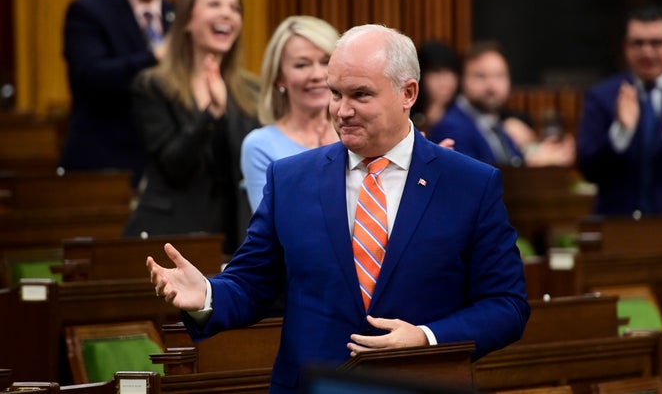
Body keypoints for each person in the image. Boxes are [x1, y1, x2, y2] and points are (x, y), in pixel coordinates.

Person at [147, 24, 530, 394]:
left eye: (360, 95)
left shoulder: (470, 183)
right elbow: (252, 283)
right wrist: (208, 296)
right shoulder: (291, 179)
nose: (341, 111)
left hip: (421, 381)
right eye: (335, 93)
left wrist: (427, 338)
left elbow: (506, 306)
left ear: (408, 93)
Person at [124, 0, 259, 255]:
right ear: (186, 19)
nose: (227, 14)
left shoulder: (252, 91)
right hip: (172, 236)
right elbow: (174, 166)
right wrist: (210, 115)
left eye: (235, 8)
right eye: (214, 5)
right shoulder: (153, 85)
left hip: (235, 235)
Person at [576, 4, 662, 240]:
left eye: (657, 43)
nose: (647, 52)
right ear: (625, 48)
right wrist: (620, 132)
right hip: (617, 229)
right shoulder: (602, 96)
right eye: (638, 43)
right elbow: (587, 166)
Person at [59, 0, 177, 188]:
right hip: (105, 166)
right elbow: (89, 78)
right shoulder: (88, 11)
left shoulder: (180, 16)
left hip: (167, 172)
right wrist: (155, 56)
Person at [241, 15, 340, 213]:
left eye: (325, 61)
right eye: (302, 65)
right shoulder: (260, 145)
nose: (317, 75)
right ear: (279, 77)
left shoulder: (356, 133)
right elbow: (275, 228)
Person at [428, 40, 575, 167]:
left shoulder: (495, 122)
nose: (492, 85)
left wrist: (543, 158)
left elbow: (512, 164)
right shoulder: (451, 128)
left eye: (499, 76)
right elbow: (475, 185)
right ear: (462, 80)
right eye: (480, 76)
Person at [410, 39, 461, 134]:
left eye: (451, 72)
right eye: (437, 72)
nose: (446, 80)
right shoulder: (408, 111)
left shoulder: (463, 114)